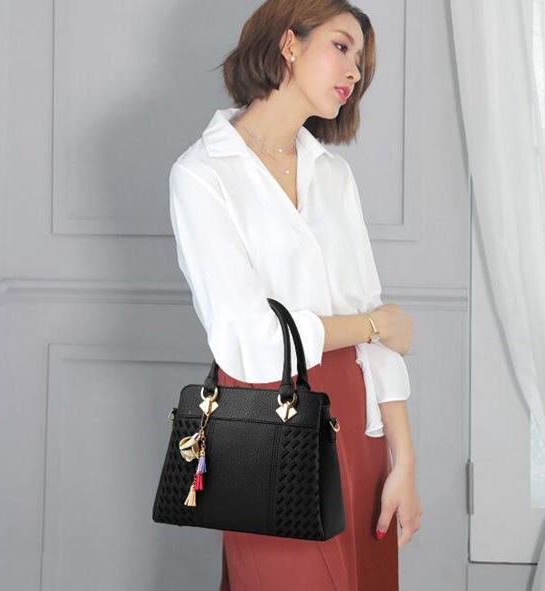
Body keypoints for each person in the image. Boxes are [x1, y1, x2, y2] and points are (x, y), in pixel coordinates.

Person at [168, 1, 423, 588]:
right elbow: (252, 343)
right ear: (289, 44)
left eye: (361, 60)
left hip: (360, 424)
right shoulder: (203, 174)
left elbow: (374, 325)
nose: (355, 71)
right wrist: (373, 325)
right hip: (269, 425)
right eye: (341, 47)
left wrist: (404, 461)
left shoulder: (332, 174)